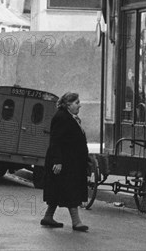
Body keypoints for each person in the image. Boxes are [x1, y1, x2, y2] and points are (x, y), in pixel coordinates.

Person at [41, 92, 89, 231]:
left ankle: (48, 217)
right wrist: (57, 161)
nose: (79, 105)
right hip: (64, 162)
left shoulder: (70, 117)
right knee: (71, 190)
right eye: (76, 102)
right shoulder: (61, 117)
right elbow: (55, 140)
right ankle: (76, 222)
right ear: (68, 104)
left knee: (58, 189)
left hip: (70, 161)